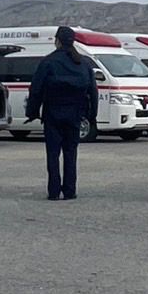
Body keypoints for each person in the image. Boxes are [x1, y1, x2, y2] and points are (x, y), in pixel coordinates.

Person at [26, 26, 98, 201]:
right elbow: (93, 91)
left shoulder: (48, 62)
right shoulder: (83, 64)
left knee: (53, 154)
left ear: (57, 41)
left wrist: (32, 112)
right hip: (75, 114)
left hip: (53, 114)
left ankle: (53, 191)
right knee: (71, 153)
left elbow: (36, 90)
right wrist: (91, 115)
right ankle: (70, 190)